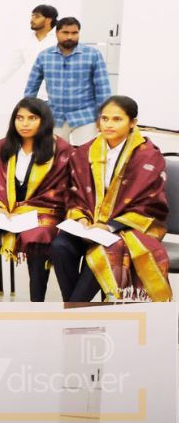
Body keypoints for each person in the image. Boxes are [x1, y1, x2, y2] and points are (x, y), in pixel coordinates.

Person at [51, 95, 171, 302]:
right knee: (60, 246)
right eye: (104, 119)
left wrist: (108, 226)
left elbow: (149, 203)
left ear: (132, 122)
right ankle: (77, 311)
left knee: (104, 251)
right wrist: (81, 218)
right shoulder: (85, 152)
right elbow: (73, 192)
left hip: (128, 226)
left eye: (117, 119)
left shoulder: (148, 156)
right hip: (88, 223)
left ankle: (73, 313)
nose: (109, 124)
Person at [0, 98, 74, 303]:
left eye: (32, 118)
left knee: (38, 236)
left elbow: (62, 190)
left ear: (44, 120)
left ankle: (37, 300)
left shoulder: (61, 150)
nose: (24, 123)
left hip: (41, 213)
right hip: (2, 210)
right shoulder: (2, 147)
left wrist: (27, 211)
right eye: (19, 118)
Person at [24, 16, 111, 146]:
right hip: (55, 116)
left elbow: (103, 88)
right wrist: (28, 113)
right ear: (56, 33)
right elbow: (32, 86)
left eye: (74, 33)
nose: (70, 37)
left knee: (85, 156)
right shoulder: (44, 56)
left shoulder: (92, 55)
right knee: (54, 156)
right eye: (65, 32)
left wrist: (103, 117)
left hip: (85, 116)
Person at [0, 4, 58, 93]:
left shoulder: (59, 39)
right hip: (32, 94)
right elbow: (12, 65)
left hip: (56, 96)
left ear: (48, 20)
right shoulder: (25, 42)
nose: (32, 20)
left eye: (37, 17)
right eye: (32, 16)